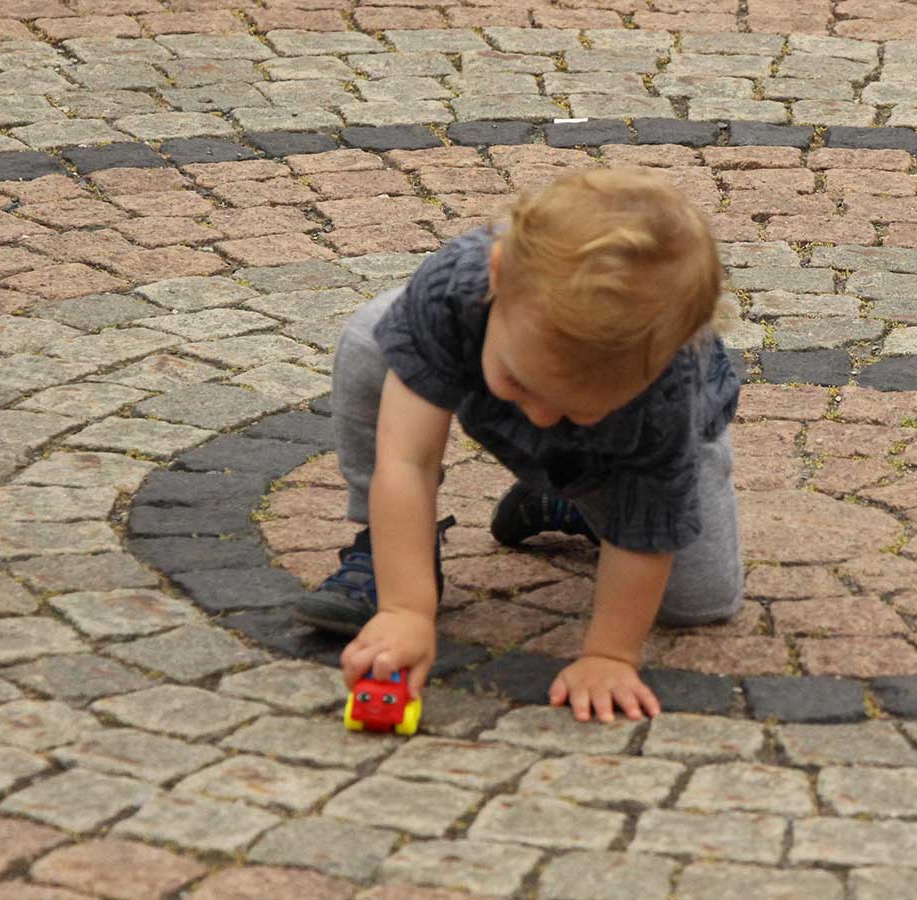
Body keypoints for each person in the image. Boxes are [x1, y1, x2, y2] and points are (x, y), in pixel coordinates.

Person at [295, 167, 744, 723]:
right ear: (498, 275)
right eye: (522, 386)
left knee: (699, 602)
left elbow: (648, 529)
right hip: (474, 346)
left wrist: (609, 655)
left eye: (576, 408)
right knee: (373, 337)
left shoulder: (666, 392)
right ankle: (380, 548)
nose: (540, 417)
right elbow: (406, 461)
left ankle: (574, 500)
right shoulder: (454, 291)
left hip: (631, 449)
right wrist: (406, 609)